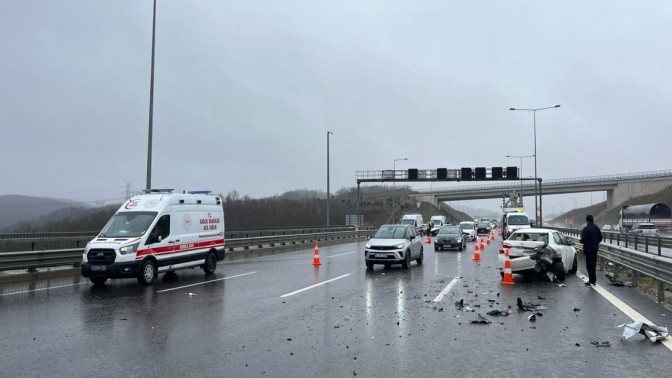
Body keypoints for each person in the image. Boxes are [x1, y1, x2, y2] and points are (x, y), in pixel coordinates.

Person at [580, 214, 603, 286]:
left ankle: (591, 280)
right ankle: (593, 280)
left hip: (588, 249)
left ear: (587, 220)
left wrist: (581, 241)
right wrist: (595, 243)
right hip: (595, 249)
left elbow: (584, 239)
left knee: (589, 265)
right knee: (593, 264)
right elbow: (600, 238)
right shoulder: (597, 228)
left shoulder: (586, 229)